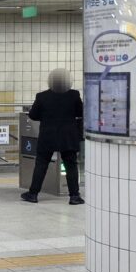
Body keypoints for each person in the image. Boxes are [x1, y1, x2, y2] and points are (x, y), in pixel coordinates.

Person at [21, 68, 85, 205]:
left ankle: (33, 194)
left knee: (41, 164)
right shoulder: (74, 95)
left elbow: (33, 115)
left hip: (48, 136)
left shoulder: (42, 96)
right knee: (71, 166)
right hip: (68, 136)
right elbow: (81, 112)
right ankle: (74, 196)